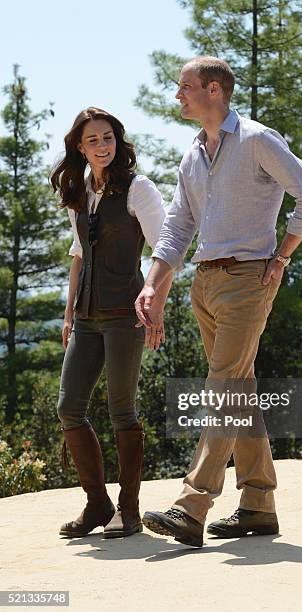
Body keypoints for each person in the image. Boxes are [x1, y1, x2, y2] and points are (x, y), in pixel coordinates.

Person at [135, 57, 302, 548]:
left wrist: (282, 257)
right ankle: (259, 505)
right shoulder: (193, 154)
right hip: (205, 282)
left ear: (215, 90)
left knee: (221, 390)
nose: (179, 95)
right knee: (239, 390)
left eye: (186, 87)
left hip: (248, 278)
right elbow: (177, 227)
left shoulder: (257, 139)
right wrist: (153, 283)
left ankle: (192, 505)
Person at [51, 107, 168, 539]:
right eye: (93, 140)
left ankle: (129, 510)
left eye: (108, 138)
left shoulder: (140, 189)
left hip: (125, 315)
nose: (102, 146)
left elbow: (165, 249)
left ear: (117, 141)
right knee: (69, 407)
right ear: (80, 148)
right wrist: (68, 315)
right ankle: (97, 503)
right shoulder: (79, 191)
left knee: (123, 410)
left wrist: (155, 308)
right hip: (85, 318)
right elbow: (79, 253)